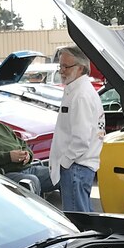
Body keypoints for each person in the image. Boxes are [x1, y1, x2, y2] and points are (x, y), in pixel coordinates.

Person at [49, 46, 105, 213]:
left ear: (81, 68)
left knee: (78, 224)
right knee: (86, 221)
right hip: (77, 168)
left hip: (75, 168)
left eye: (66, 66)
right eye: (60, 66)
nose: (62, 71)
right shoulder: (77, 91)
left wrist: (64, 163)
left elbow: (81, 140)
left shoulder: (81, 95)